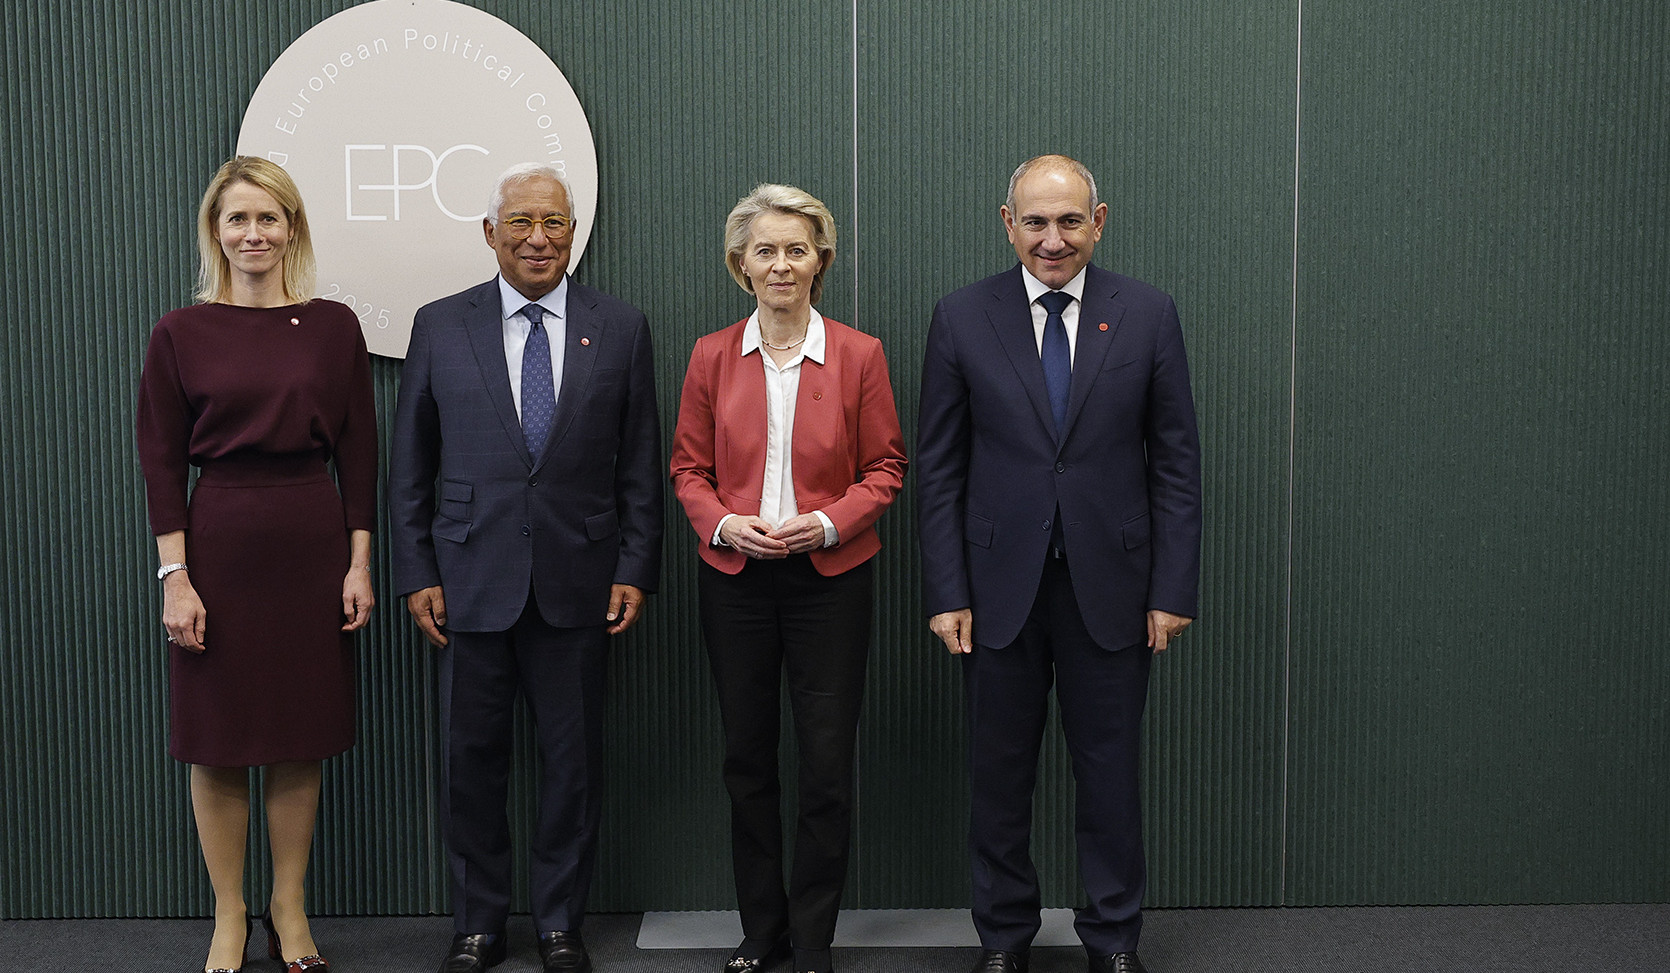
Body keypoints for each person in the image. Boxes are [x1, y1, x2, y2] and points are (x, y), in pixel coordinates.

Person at [915, 155, 1202, 973]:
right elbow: (940, 467)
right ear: (1007, 222)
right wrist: (946, 589)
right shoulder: (962, 316)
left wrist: (1171, 587)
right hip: (994, 593)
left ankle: (1113, 940)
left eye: (1069, 221)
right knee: (999, 781)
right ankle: (1004, 939)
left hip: (1113, 590)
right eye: (1035, 222)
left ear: (1099, 220)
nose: (1052, 239)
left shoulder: (1146, 313)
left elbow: (1176, 462)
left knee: (1109, 780)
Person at [389, 162, 663, 973]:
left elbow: (639, 465)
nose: (538, 238)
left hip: (581, 581)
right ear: (490, 233)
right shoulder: (440, 325)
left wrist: (636, 564)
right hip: (466, 581)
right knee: (468, 761)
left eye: (554, 223)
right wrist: (415, 571)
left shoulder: (620, 326)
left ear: (573, 233)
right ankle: (476, 923)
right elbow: (410, 468)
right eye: (521, 223)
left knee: (573, 765)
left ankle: (558, 923)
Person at [136, 156, 377, 973]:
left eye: (269, 218)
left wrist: (359, 564)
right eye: (238, 219)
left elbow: (361, 458)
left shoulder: (336, 325)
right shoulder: (180, 331)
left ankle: (290, 906)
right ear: (215, 231)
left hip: (311, 545)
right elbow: (162, 464)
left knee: (299, 737)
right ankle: (229, 914)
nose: (253, 233)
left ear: (292, 229)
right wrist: (176, 576)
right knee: (219, 741)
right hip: (219, 545)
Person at [669, 184, 907, 973]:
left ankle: (811, 938)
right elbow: (688, 470)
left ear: (821, 261)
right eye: (765, 250)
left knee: (826, 762)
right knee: (747, 757)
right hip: (734, 581)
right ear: (742, 265)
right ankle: (760, 928)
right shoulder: (710, 354)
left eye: (797, 249)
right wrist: (724, 523)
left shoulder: (859, 354)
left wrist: (832, 520)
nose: (782, 264)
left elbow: (885, 468)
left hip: (830, 583)